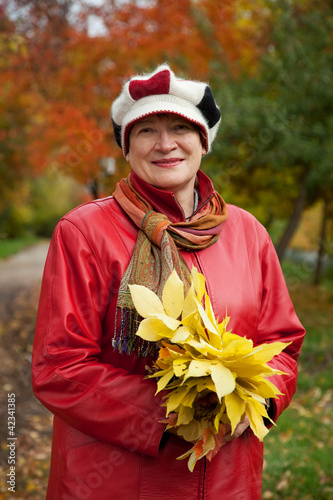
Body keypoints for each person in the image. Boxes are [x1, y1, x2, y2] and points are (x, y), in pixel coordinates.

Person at [32, 64, 305, 500]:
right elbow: (58, 366)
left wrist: (256, 402)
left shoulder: (247, 232)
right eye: (146, 131)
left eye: (180, 127)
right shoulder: (83, 231)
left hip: (227, 479)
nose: (165, 144)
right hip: (118, 481)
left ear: (203, 142)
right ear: (126, 148)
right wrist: (178, 411)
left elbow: (283, 343)